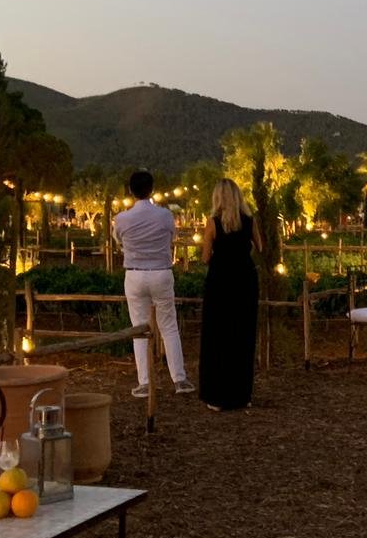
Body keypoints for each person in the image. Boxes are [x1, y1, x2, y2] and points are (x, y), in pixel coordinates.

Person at [112, 170, 193, 398]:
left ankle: (145, 383)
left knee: (139, 328)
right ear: (152, 189)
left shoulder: (122, 219)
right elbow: (171, 238)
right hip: (161, 273)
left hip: (135, 274)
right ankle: (179, 379)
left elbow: (118, 240)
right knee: (169, 326)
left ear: (130, 191)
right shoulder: (165, 216)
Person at [198, 179, 262, 411]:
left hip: (221, 283)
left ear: (217, 198)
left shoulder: (213, 223)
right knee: (242, 336)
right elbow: (260, 247)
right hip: (245, 280)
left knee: (218, 337)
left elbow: (205, 257)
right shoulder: (250, 221)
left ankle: (217, 396)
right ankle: (242, 395)